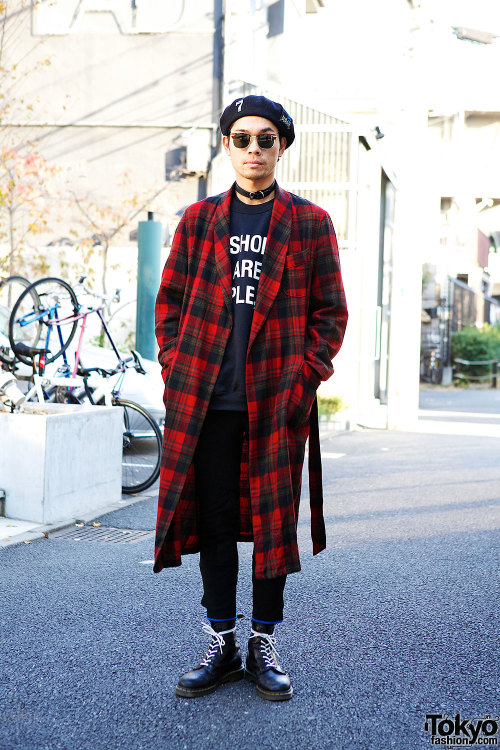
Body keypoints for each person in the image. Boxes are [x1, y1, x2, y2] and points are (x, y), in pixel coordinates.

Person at [154, 94, 348, 701]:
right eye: (242, 139)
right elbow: (169, 305)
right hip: (207, 399)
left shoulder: (310, 223)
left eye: (266, 139)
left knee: (271, 523)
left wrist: (305, 376)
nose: (254, 150)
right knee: (212, 522)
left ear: (282, 146)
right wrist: (175, 366)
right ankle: (222, 642)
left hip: (274, 399)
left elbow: (329, 313)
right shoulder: (199, 221)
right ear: (226, 146)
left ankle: (263, 642)